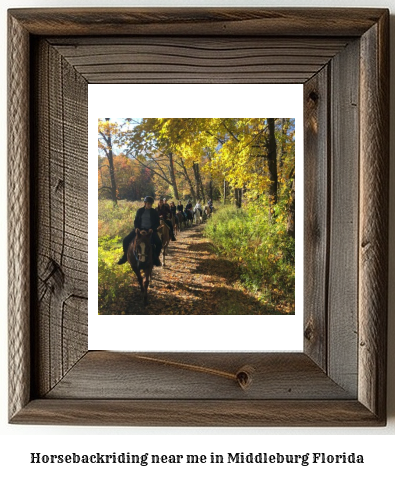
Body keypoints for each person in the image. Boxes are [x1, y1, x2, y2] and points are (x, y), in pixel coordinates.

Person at [117, 196, 162, 266]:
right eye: (148, 203)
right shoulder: (140, 211)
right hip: (139, 229)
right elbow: (136, 221)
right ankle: (125, 256)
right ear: (145, 203)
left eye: (151, 204)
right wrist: (137, 228)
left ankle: (156, 258)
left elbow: (157, 223)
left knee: (159, 243)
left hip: (150, 230)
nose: (150, 205)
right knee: (125, 240)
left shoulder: (154, 212)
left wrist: (152, 229)